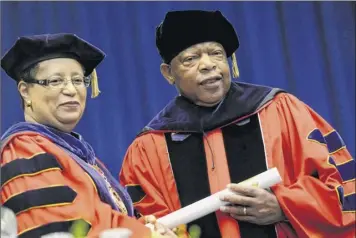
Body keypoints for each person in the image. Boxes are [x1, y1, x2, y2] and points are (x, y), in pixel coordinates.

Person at [119, 10, 355, 238]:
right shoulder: (149, 148)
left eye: (217, 54)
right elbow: (142, 223)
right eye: (190, 59)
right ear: (168, 73)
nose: (208, 64)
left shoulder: (281, 111)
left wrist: (284, 206)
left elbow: (343, 187)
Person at [0, 33, 177, 238]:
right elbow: (61, 225)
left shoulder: (78, 155)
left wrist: (143, 226)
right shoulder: (24, 150)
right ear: (25, 91)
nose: (71, 90)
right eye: (56, 81)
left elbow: (99, 215)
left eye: (77, 80)